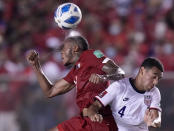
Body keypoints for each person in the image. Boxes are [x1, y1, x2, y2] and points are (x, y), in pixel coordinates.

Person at [26, 35, 125, 131]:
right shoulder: (75, 71)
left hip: (99, 120)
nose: (61, 52)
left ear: (75, 48)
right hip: (83, 120)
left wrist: (103, 77)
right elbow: (50, 92)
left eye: (63, 48)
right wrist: (36, 66)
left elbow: (119, 73)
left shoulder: (92, 55)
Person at [83, 57, 163, 131]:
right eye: (154, 77)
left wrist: (153, 122)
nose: (156, 82)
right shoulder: (119, 86)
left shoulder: (154, 92)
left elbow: (157, 119)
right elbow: (94, 106)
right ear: (142, 71)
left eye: (158, 79)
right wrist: (93, 114)